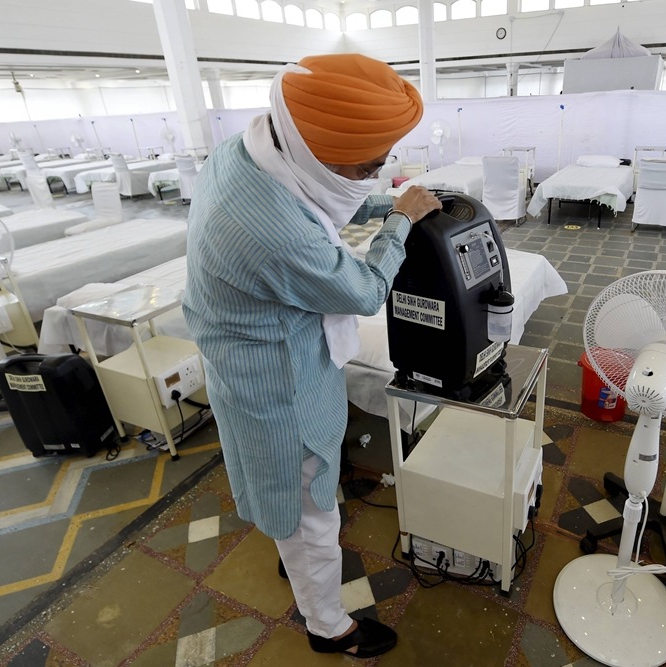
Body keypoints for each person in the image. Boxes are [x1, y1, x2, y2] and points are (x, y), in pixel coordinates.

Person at [182, 54, 440, 659]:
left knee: (290, 495)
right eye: (371, 164)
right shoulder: (271, 231)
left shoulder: (249, 150)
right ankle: (329, 626)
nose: (379, 172)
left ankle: (292, 551)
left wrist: (381, 204)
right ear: (314, 148)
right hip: (277, 383)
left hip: (250, 356)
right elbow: (363, 290)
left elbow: (318, 199)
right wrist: (398, 222)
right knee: (309, 512)